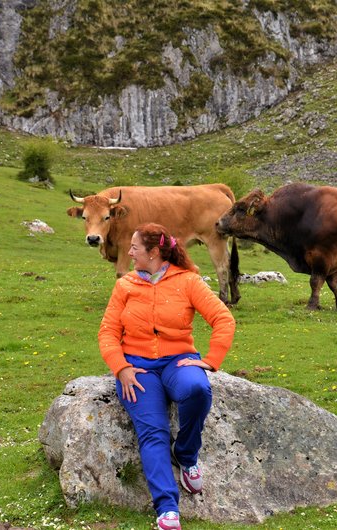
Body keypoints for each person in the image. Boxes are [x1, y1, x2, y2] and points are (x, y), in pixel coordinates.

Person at [98, 222, 236, 530]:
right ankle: (167, 508)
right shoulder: (125, 285)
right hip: (138, 367)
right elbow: (108, 332)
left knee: (197, 389)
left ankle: (186, 455)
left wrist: (211, 360)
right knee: (154, 432)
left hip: (178, 360)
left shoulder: (188, 281)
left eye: (135, 248)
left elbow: (223, 319)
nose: (129, 253)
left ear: (154, 252)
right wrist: (121, 367)